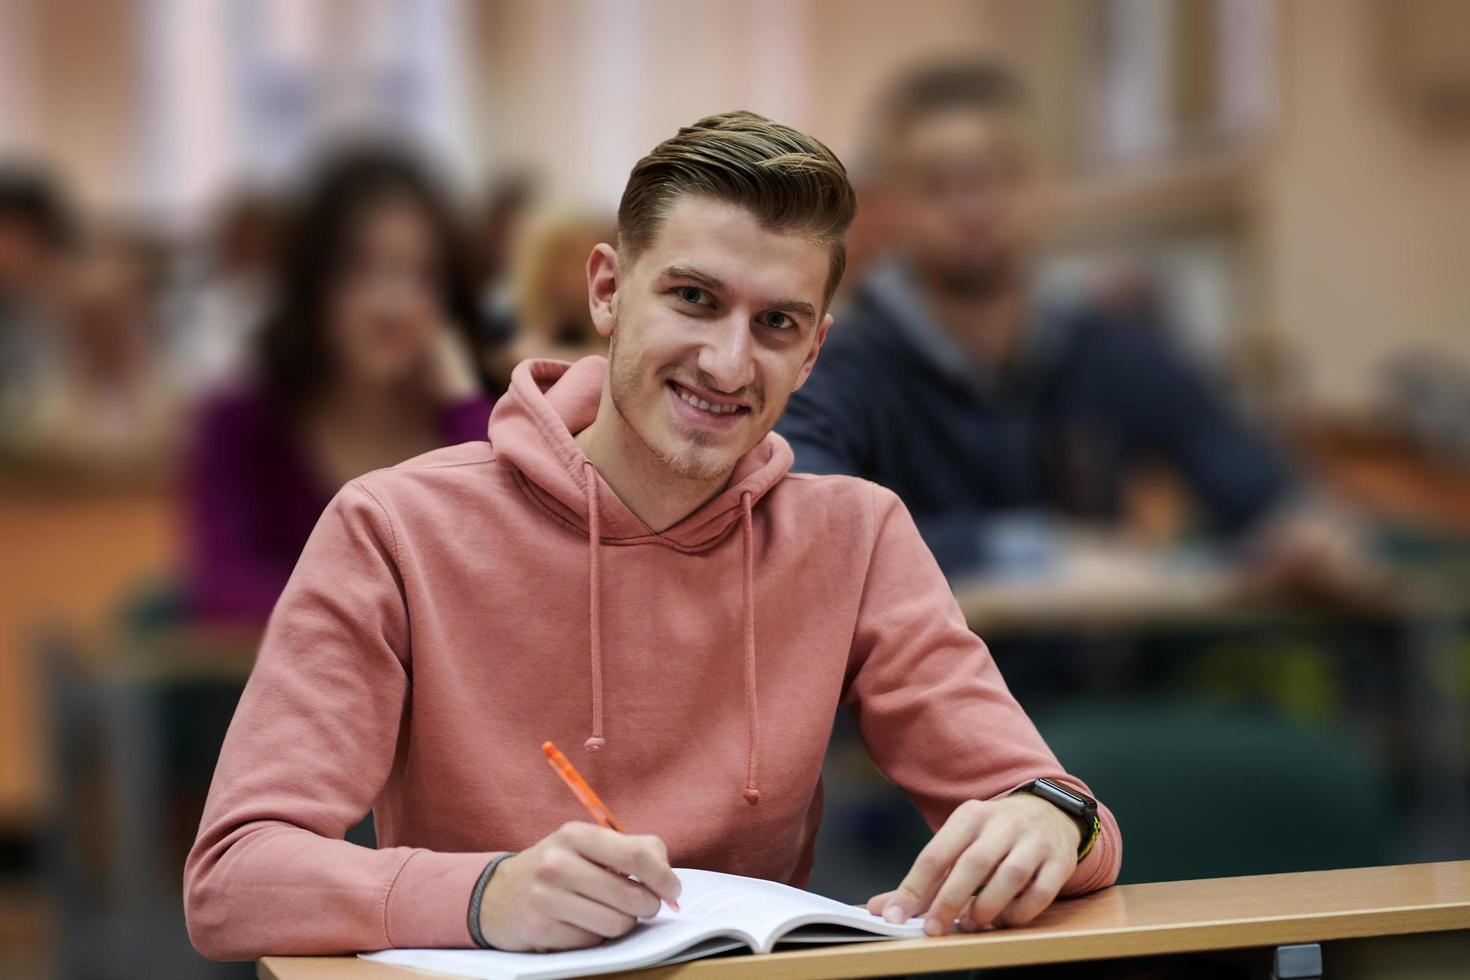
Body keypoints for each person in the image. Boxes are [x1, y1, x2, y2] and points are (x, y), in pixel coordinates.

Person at [184, 111, 1121, 960]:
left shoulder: (858, 535)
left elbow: (1064, 810)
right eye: (694, 298)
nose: (726, 361)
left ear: (813, 352)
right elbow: (232, 880)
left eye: (776, 323)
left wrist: (1049, 820)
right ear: (606, 290)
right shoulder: (392, 526)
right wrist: (481, 896)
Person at [777, 60, 1355, 584]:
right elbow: (815, 525)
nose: (974, 207)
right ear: (886, 207)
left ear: (1045, 187)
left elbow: (1261, 496)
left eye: (1001, 174)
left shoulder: (1118, 351)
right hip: (906, 696)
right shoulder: (831, 368)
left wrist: (1301, 534)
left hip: (1099, 694)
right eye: (938, 184)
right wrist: (1038, 553)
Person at [181, 145, 493, 625]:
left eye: (420, 275)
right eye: (363, 270)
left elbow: (500, 567)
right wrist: (381, 623)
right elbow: (224, 587)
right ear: (315, 284)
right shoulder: (239, 422)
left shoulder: (479, 421)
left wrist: (461, 399)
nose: (391, 304)